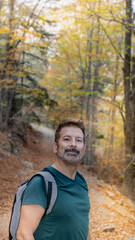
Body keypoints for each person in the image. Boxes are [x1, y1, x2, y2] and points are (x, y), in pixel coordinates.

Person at [17, 118, 91, 240]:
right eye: (67, 139)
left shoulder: (81, 181)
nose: (73, 144)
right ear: (55, 147)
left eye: (78, 140)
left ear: (83, 149)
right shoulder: (41, 183)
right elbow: (23, 234)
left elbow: (81, 225)